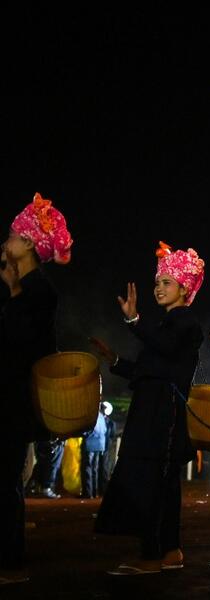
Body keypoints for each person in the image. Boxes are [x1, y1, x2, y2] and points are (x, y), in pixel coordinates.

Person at [94, 242, 205, 575]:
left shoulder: (186, 323)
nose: (158, 287)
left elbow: (166, 351)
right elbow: (149, 370)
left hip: (162, 414)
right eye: (157, 282)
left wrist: (134, 321)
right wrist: (115, 360)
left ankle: (151, 555)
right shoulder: (165, 325)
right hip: (155, 409)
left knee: (150, 481)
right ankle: (170, 550)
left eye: (167, 282)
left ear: (184, 288)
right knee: (165, 484)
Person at [0, 193, 72, 586]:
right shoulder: (25, 288)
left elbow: (23, 345)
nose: (5, 242)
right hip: (10, 396)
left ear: (28, 242)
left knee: (5, 480)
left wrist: (14, 294)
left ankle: (10, 562)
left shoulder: (40, 290)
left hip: (14, 400)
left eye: (12, 236)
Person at [81, 407, 108, 499]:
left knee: (88, 468)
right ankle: (94, 492)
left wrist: (83, 434)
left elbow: (88, 431)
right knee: (95, 469)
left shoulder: (91, 417)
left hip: (90, 444)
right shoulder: (101, 416)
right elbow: (104, 430)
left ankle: (88, 493)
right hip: (100, 445)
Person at [98, 401, 118, 496]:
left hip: (105, 447)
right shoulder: (106, 422)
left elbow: (112, 435)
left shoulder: (110, 423)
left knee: (104, 468)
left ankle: (103, 489)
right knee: (98, 468)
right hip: (101, 446)